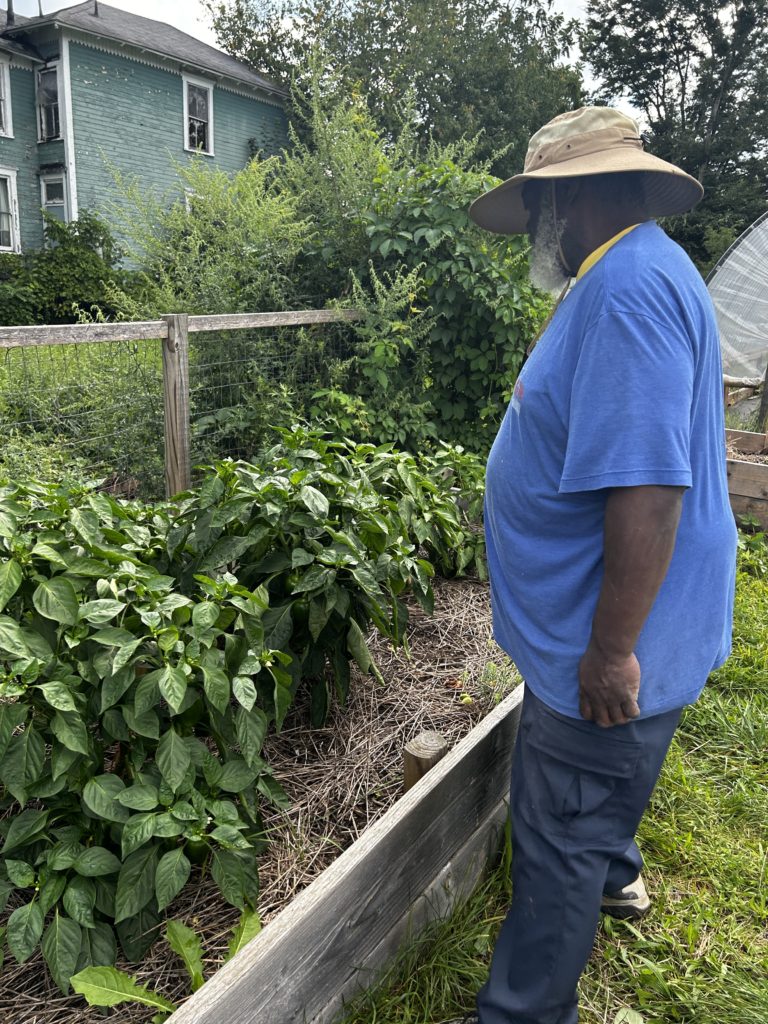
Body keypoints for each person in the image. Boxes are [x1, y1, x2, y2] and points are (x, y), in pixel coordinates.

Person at [447, 107, 737, 1024]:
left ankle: (524, 1010)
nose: (538, 228)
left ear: (576, 199)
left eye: (542, 206)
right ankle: (616, 874)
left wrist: (610, 650)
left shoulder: (627, 294)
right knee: (595, 800)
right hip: (614, 626)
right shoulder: (643, 271)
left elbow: (650, 490)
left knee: (560, 832)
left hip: (610, 644)